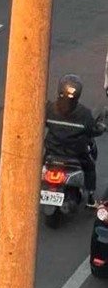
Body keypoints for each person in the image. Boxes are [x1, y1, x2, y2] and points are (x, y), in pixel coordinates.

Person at [45, 74, 105, 208]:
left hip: (51, 152)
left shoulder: (49, 108)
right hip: (76, 154)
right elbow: (92, 130)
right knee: (90, 168)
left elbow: (40, 121)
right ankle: (90, 199)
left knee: (37, 163)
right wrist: (101, 128)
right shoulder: (84, 114)